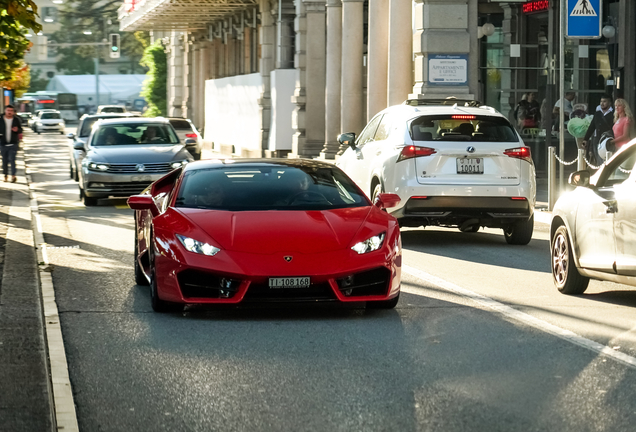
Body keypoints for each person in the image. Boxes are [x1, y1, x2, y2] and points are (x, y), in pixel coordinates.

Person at [583, 94, 614, 164]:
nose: (602, 103)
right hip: (597, 139)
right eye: (601, 101)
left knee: (608, 160)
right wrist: (586, 139)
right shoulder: (597, 113)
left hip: (608, 141)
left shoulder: (613, 114)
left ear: (609, 103)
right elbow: (592, 126)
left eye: (604, 101)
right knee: (598, 160)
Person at [0, 105, 23, 183]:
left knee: (12, 159)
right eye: (8, 110)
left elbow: (21, 130)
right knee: (4, 160)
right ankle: (5, 176)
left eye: (11, 111)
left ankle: (13, 176)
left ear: (13, 112)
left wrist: (17, 130)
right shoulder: (0, 119)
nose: (9, 112)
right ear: (5, 111)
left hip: (13, 143)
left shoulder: (16, 120)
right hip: (3, 143)